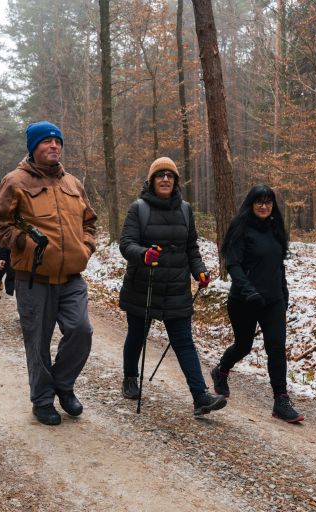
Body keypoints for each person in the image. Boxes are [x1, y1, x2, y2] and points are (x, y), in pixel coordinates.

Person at [0, 121, 97, 426]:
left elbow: (90, 223)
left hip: (72, 278)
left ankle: (63, 384)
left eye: (57, 141)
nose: (53, 146)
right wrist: (22, 242)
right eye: (46, 142)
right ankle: (43, 399)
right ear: (33, 148)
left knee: (81, 331)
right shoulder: (15, 182)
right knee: (37, 342)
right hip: (33, 278)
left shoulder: (73, 184)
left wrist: (85, 247)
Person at [118, 157, 226, 417]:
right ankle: (130, 377)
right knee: (136, 336)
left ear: (176, 181)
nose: (165, 179)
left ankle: (200, 396)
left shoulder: (185, 210)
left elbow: (191, 248)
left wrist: (199, 270)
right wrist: (144, 254)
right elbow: (126, 244)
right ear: (152, 180)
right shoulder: (138, 209)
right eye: (160, 175)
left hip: (176, 288)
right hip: (144, 285)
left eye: (170, 175)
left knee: (184, 342)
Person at [209, 184, 304, 423]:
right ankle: (221, 371)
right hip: (244, 300)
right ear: (251, 204)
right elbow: (233, 265)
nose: (264, 206)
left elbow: (278, 265)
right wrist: (248, 291)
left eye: (268, 202)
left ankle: (281, 400)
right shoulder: (241, 229)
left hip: (273, 300)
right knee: (243, 346)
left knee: (276, 348)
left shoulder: (275, 229)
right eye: (259, 201)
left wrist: (283, 291)